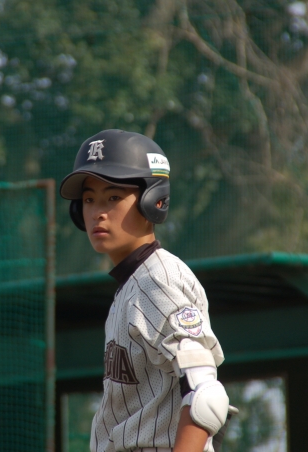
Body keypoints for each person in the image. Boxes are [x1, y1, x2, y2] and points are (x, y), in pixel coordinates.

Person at [59, 129, 232, 452]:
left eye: (113, 197)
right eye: (89, 199)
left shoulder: (158, 280)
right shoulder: (132, 285)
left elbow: (205, 392)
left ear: (153, 200)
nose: (98, 212)